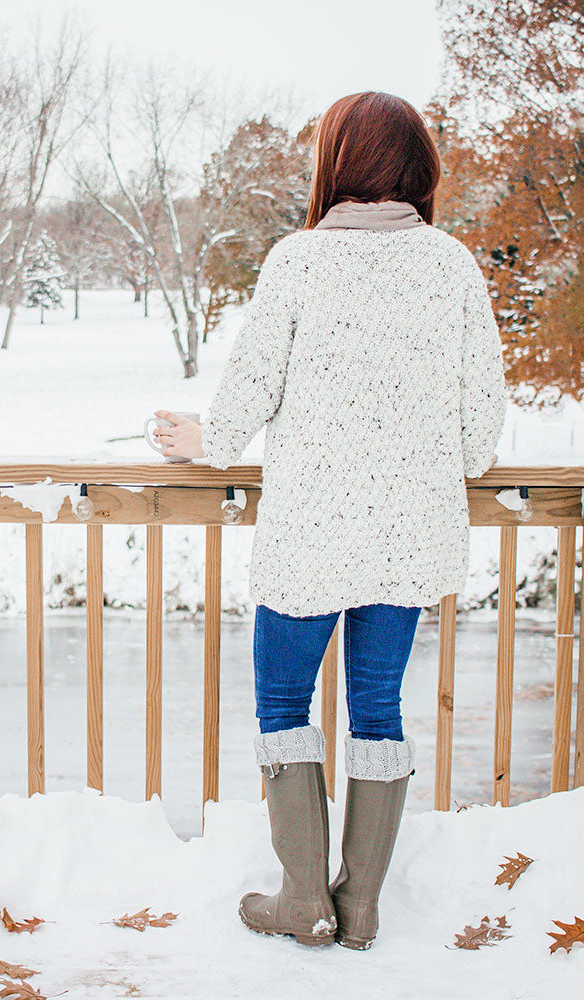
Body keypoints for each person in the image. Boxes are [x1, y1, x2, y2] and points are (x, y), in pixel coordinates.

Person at [153, 90, 508, 951]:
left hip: (308, 537)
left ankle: (303, 899)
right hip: (408, 540)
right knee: (377, 705)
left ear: (335, 164)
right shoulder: (453, 266)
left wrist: (205, 441)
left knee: (284, 700)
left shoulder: (298, 261)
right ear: (418, 167)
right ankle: (362, 908)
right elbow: (480, 442)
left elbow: (249, 392)